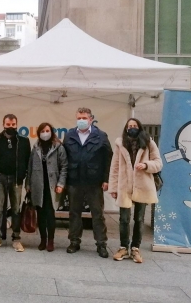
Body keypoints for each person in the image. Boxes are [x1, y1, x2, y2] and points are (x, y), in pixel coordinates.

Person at [109, 118, 162, 263]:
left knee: (139, 219)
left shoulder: (149, 142)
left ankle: (135, 249)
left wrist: (146, 165)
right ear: (126, 128)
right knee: (124, 219)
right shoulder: (120, 143)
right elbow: (114, 167)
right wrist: (113, 188)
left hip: (142, 186)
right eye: (129, 126)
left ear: (140, 127)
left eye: (135, 125)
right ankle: (123, 248)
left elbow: (158, 163)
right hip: (124, 186)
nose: (132, 128)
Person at [63, 107, 113, 258]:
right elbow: (64, 159)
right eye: (79, 118)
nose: (81, 120)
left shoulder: (101, 136)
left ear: (91, 119)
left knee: (97, 214)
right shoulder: (69, 135)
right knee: (74, 213)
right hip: (74, 180)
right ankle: (74, 241)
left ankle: (101, 244)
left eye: (84, 118)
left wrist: (106, 179)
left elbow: (108, 159)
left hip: (94, 182)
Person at [0, 114, 31, 252]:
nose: (10, 127)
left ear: (16, 124)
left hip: (16, 178)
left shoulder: (24, 141)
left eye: (13, 124)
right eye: (8, 124)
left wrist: (25, 179)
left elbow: (28, 161)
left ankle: (16, 239)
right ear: (3, 124)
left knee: (16, 209)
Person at [26, 122, 68, 252]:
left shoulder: (58, 147)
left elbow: (64, 167)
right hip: (38, 186)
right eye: (43, 131)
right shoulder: (35, 148)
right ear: (39, 133)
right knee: (41, 215)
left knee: (50, 214)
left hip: (52, 187)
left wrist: (61, 184)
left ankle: (51, 240)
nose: (45, 133)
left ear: (52, 132)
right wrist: (28, 184)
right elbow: (30, 167)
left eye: (47, 130)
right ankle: (43, 239)